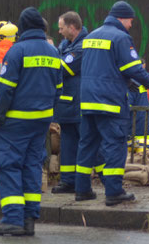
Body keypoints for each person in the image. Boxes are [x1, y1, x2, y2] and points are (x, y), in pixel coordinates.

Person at [75, 0, 149, 206]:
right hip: (110, 101)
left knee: (87, 144)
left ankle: (82, 190)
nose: (131, 25)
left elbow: (99, 67)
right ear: (122, 18)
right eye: (130, 21)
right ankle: (114, 192)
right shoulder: (120, 37)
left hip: (88, 100)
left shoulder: (91, 36)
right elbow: (134, 69)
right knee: (115, 145)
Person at [0, 7, 62, 237]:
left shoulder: (17, 51)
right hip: (40, 122)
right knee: (32, 167)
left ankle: (12, 219)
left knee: (8, 165)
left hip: (14, 123)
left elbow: (5, 90)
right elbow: (58, 89)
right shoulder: (53, 52)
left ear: (23, 27)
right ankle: (29, 220)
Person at [51, 11, 88, 194]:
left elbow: (63, 67)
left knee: (85, 144)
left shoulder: (83, 46)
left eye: (61, 28)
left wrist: (54, 61)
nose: (59, 32)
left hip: (80, 104)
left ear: (72, 27)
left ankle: (83, 183)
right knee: (67, 145)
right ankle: (68, 181)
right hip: (67, 105)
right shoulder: (66, 44)